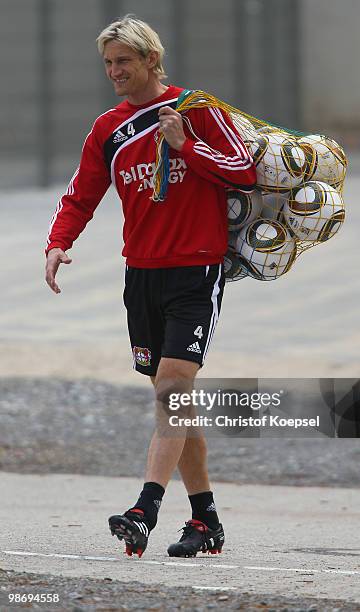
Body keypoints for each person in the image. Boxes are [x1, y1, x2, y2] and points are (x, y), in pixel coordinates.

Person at [45, 15, 256, 558]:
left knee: (172, 389)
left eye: (124, 61)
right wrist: (57, 242)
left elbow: (244, 170)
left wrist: (184, 145)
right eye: (109, 63)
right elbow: (81, 193)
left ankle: (146, 507)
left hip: (195, 270)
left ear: (151, 61)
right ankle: (206, 518)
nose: (115, 71)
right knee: (175, 402)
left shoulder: (196, 109)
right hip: (140, 274)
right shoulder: (108, 128)